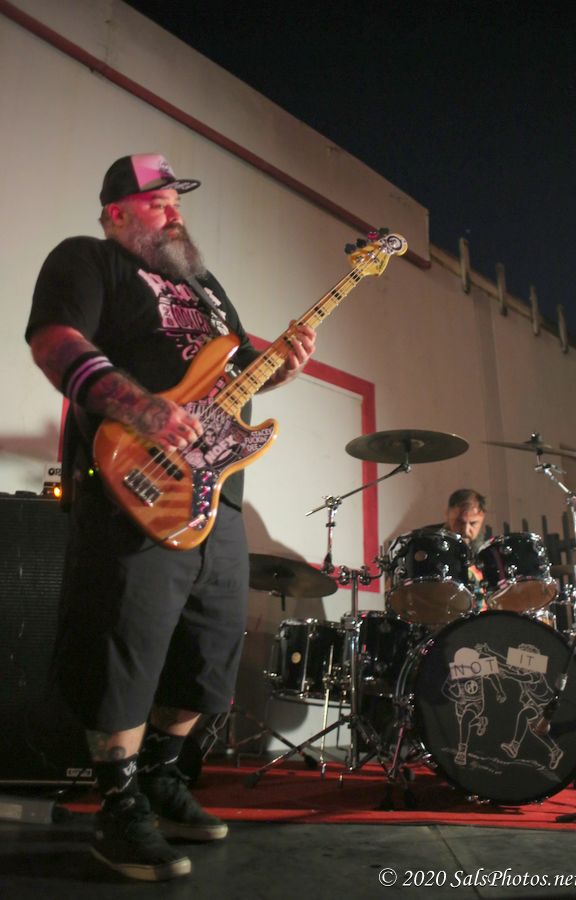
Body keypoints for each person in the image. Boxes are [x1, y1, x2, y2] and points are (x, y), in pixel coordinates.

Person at [25, 153, 316, 882]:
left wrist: (277, 367)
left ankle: (159, 774)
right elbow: (55, 341)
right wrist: (142, 407)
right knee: (124, 645)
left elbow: (232, 372)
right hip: (134, 479)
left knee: (209, 649)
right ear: (117, 211)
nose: (174, 212)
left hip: (217, 494)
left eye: (177, 201)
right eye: (158, 201)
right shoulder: (89, 259)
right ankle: (117, 803)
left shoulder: (207, 289)